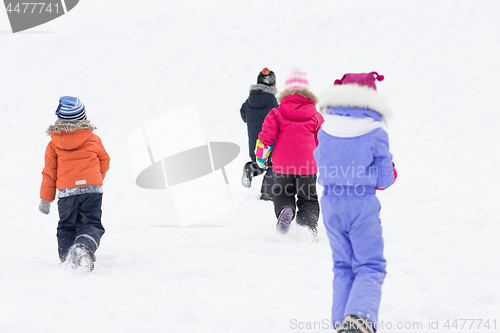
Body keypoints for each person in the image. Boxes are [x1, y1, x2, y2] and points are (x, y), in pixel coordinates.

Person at [314, 72, 397, 332]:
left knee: (342, 266)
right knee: (370, 265)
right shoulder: (374, 131)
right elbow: (385, 178)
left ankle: (342, 325)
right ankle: (359, 320)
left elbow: (322, 167)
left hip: (330, 204)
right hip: (361, 204)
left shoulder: (325, 128)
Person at [39, 96, 110, 272]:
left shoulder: (53, 144)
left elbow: (49, 174)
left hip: (67, 192)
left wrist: (46, 199)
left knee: (66, 226)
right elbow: (105, 161)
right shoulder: (93, 139)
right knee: (91, 223)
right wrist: (96, 180)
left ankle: (68, 262)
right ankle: (84, 248)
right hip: (92, 191)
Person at [255, 71, 323, 239]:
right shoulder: (316, 116)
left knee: (282, 191)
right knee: (308, 197)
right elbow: (324, 141)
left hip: (282, 164)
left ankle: (286, 209)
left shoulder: (276, 114)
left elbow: (265, 139)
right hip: (308, 165)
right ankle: (307, 227)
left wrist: (261, 160)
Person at [240, 67, 278, 201]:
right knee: (273, 166)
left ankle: (249, 169)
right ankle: (267, 194)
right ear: (273, 85)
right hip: (269, 143)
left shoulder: (249, 101)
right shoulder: (274, 103)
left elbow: (243, 115)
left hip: (254, 143)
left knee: (259, 163)